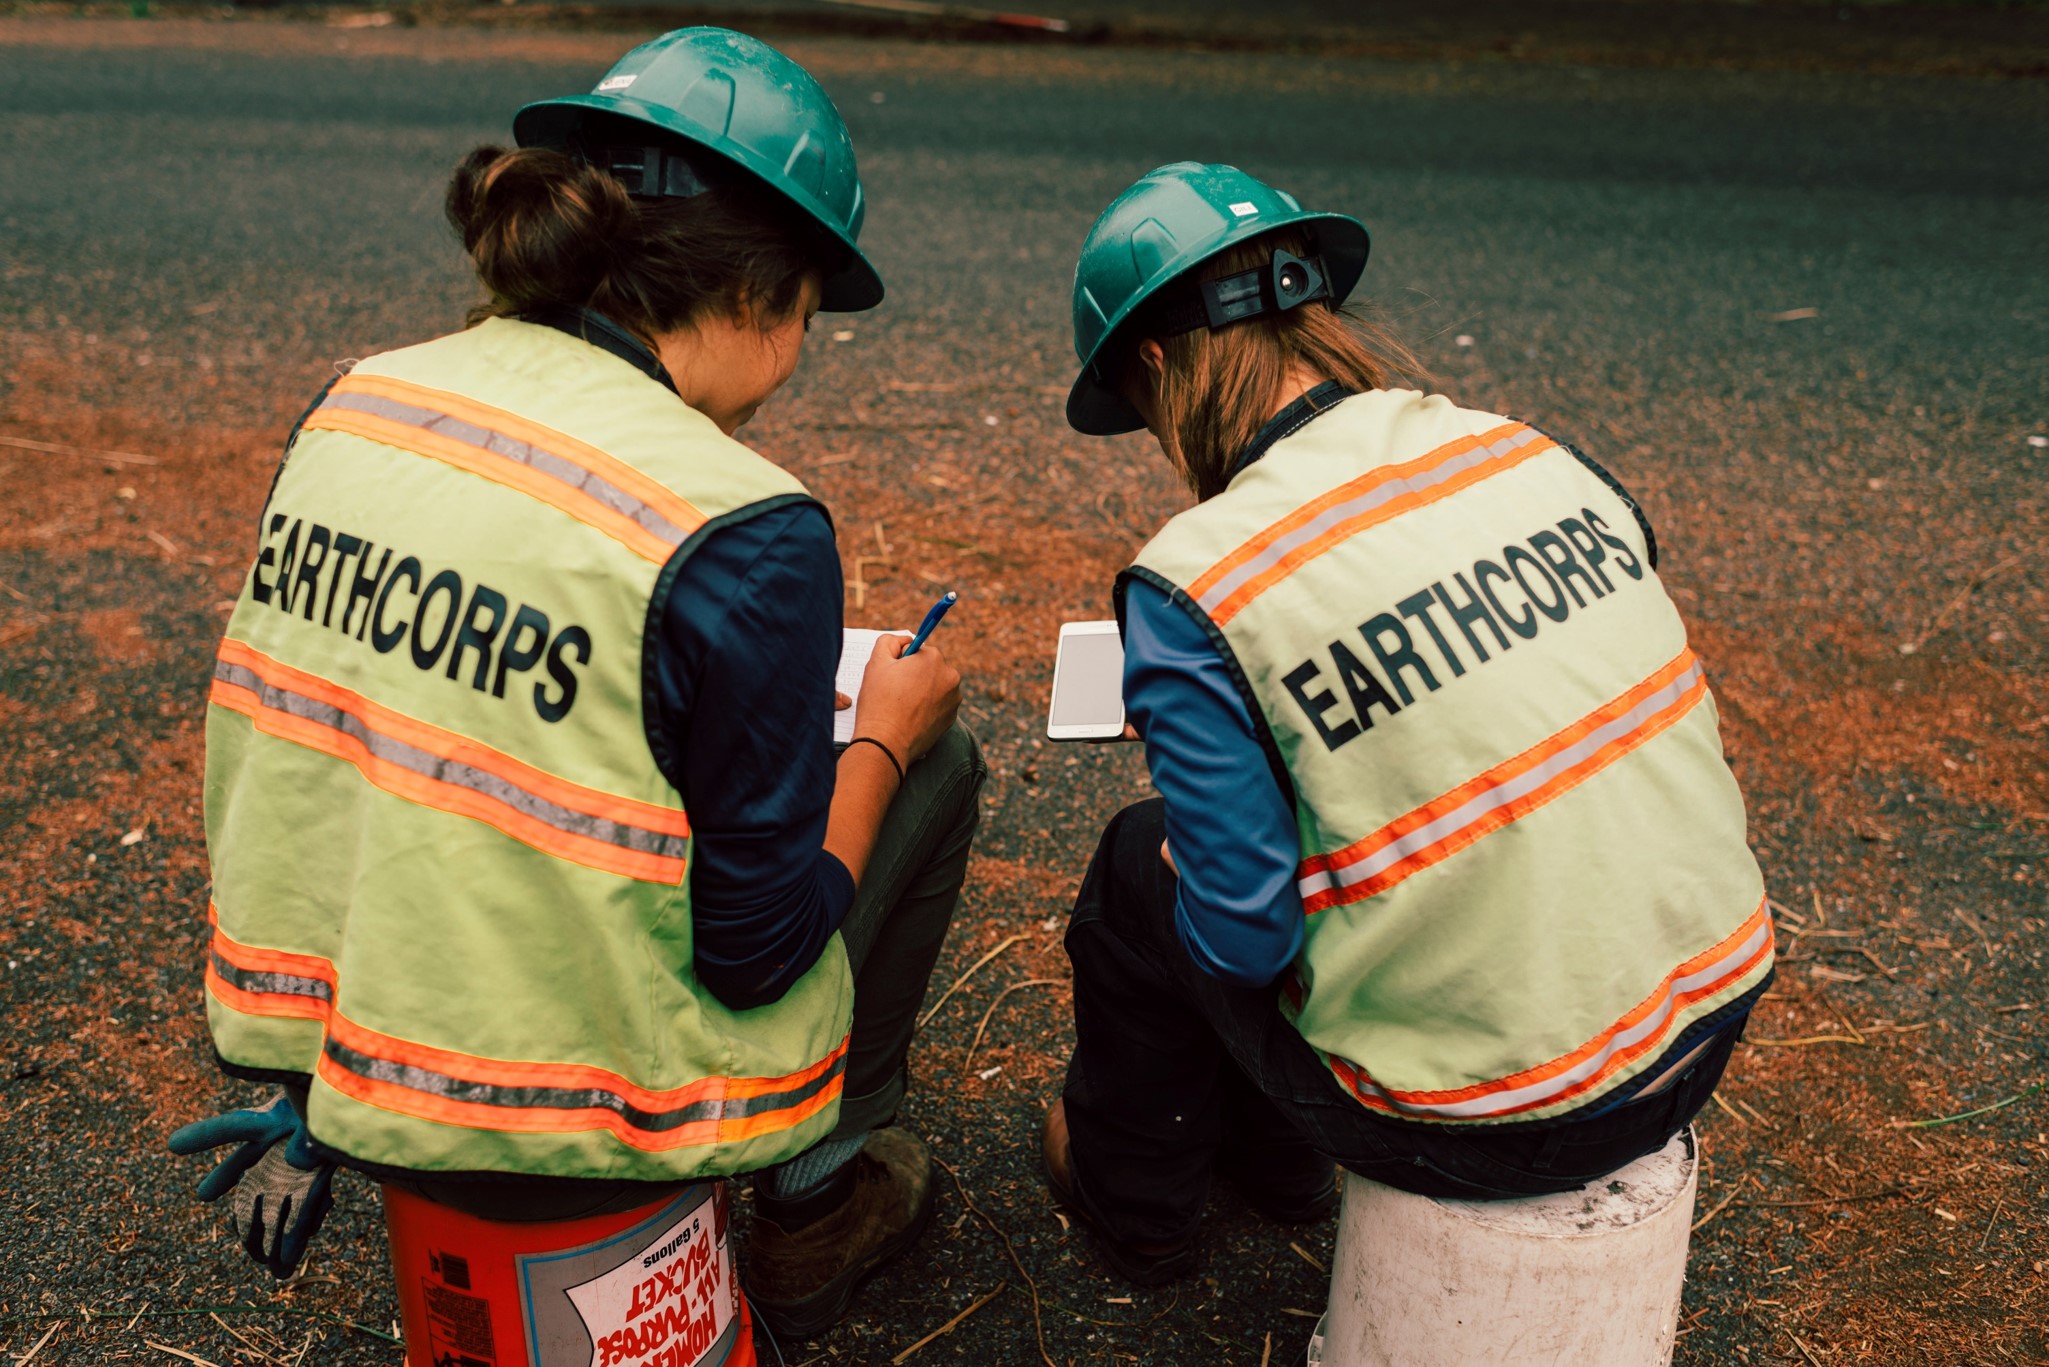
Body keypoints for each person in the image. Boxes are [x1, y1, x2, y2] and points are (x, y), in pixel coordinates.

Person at [166, 28, 984, 1342]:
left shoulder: (360, 400)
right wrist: (877, 740)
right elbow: (760, 943)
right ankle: (815, 1197)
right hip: (573, 1111)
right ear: (774, 297)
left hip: (338, 1041)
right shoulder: (742, 521)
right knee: (932, 757)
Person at [1041, 162, 1775, 1284]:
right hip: (1712, 1015)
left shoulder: (1195, 584)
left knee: (1147, 869)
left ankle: (1139, 1199)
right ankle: (1274, 1169)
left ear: (1151, 363)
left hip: (1494, 1117)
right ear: (1318, 309)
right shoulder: (1524, 449)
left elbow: (1245, 937)